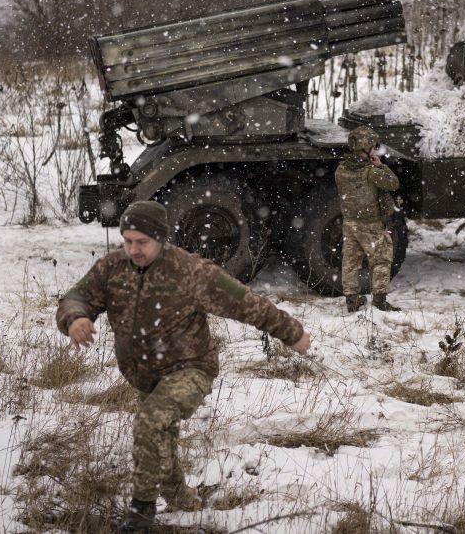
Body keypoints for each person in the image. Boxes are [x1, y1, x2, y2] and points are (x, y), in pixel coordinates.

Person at [56, 200, 311, 532]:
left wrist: (292, 333)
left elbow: (245, 303)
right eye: (128, 241)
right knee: (160, 436)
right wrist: (76, 319)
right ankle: (182, 499)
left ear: (160, 238)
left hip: (191, 368)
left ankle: (141, 513)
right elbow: (76, 297)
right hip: (145, 374)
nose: (133, 249)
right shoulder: (111, 269)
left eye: (141, 242)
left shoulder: (191, 272)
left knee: (150, 424)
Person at [335, 126, 401, 312]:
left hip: (350, 223)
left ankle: (352, 301)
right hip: (371, 224)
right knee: (381, 261)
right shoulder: (371, 172)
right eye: (372, 146)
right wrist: (381, 166)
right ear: (365, 148)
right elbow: (394, 183)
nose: (374, 150)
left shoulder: (341, 170)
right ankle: (379, 302)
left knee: (350, 262)